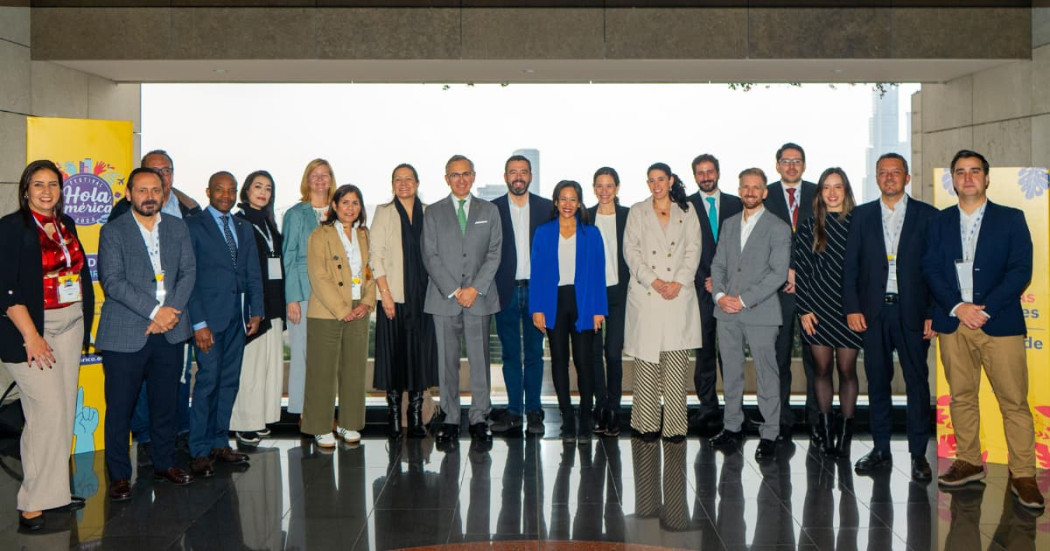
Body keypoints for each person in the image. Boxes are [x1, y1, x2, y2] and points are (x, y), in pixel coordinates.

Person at [925, 150, 1044, 509]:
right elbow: (930, 268)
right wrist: (958, 307)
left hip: (1000, 323)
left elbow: (1020, 270)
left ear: (987, 178)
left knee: (1014, 402)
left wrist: (984, 310)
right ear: (953, 179)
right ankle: (970, 461)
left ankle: (1023, 475)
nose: (968, 177)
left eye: (975, 171)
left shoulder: (1011, 219)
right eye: (960, 172)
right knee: (961, 395)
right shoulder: (939, 222)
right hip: (952, 322)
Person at [0, 160, 94, 529]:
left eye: (52, 184)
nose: (45, 191)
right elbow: (5, 290)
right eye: (37, 184)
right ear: (26, 190)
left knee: (63, 412)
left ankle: (54, 492)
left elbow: (75, 272)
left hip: (70, 324)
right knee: (46, 414)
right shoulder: (10, 228)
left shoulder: (65, 224)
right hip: (29, 330)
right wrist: (32, 336)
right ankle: (32, 503)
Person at [96, 167, 196, 501]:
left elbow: (188, 273)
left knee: (165, 404)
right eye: (142, 190)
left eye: (155, 190)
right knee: (120, 408)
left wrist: (169, 315)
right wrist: (156, 312)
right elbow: (112, 281)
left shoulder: (179, 229)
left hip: (170, 332)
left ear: (163, 194)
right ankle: (120, 475)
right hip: (126, 332)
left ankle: (164, 463)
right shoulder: (113, 231)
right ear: (129, 194)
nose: (149, 196)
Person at [842, 152, 937, 482]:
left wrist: (932, 314)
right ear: (877, 177)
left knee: (916, 384)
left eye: (896, 172)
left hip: (912, 312)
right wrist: (852, 308)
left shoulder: (928, 216)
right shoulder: (862, 216)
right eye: (882, 172)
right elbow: (850, 267)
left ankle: (918, 455)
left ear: (907, 178)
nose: (889, 177)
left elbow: (936, 271)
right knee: (877, 381)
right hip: (873, 313)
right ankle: (880, 448)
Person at [709, 168, 792, 461]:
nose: (750, 192)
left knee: (767, 375)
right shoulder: (729, 224)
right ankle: (732, 427)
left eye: (756, 187)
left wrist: (742, 300)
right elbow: (718, 265)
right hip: (726, 312)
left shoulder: (778, 227)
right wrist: (720, 296)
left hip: (761, 312)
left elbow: (778, 274)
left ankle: (770, 432)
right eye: (745, 187)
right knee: (730, 373)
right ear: (740, 189)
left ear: (765, 192)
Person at [186, 171, 264, 477]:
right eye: (220, 190)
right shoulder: (193, 227)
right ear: (208, 191)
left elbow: (252, 271)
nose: (226, 195)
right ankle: (199, 449)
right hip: (208, 320)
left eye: (232, 191)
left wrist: (256, 312)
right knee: (207, 382)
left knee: (229, 382)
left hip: (237, 318)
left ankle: (220, 442)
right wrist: (198, 323)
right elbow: (187, 278)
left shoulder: (243, 227)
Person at [422, 155, 502, 450]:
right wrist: (456, 290)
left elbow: (495, 253)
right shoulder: (433, 212)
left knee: (480, 361)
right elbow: (430, 255)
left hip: (479, 298)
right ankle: (451, 419)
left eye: (466, 173)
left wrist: (474, 289)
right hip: (445, 298)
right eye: (454, 175)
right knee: (447, 363)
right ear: (446, 178)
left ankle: (480, 418)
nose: (461, 179)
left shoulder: (489, 210)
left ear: (474, 176)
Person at [622, 163, 701, 442]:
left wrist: (678, 282)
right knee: (646, 366)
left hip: (678, 295)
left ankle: (676, 426)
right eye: (651, 180)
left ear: (670, 181)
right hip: (648, 295)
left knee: (676, 365)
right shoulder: (637, 211)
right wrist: (654, 281)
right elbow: (630, 252)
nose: (656, 185)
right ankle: (646, 424)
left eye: (660, 179)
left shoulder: (687, 212)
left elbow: (693, 249)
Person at [791, 167, 862, 456]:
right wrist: (803, 310)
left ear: (846, 190)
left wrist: (860, 308)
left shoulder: (860, 223)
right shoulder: (809, 225)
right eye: (826, 187)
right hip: (816, 308)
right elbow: (802, 271)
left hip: (850, 309)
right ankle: (824, 429)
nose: (832, 193)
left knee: (846, 370)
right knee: (821, 370)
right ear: (820, 193)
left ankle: (845, 434)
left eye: (838, 187)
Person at [529, 180, 607, 440]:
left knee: (584, 362)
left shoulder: (591, 233)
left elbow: (598, 274)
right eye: (563, 198)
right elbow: (537, 273)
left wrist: (598, 310)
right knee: (559, 362)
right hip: (553, 302)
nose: (567, 204)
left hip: (583, 301)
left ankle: (585, 417)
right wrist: (537, 308)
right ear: (555, 202)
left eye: (573, 199)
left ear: (580, 203)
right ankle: (567, 418)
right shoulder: (543, 232)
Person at [303, 184, 376, 447]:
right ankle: (320, 427)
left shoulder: (365, 235)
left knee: (355, 368)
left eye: (355, 203)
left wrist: (367, 302)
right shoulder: (320, 235)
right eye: (345, 202)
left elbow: (371, 271)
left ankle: (349, 424)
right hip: (327, 310)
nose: (350, 208)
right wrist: (343, 310)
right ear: (334, 206)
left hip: (359, 307)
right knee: (322, 371)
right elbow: (318, 276)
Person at [370, 164, 438, 439]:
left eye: (408, 179)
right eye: (398, 180)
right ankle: (395, 418)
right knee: (394, 357)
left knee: (420, 357)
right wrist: (384, 293)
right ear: (392, 184)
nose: (403, 184)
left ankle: (417, 419)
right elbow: (375, 255)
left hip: (425, 297)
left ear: (418, 182)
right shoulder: (384, 213)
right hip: (394, 297)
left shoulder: (429, 213)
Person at [491, 155, 552, 436]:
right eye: (513, 172)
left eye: (523, 172)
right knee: (510, 355)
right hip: (505, 292)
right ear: (505, 177)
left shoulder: (545, 208)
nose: (518, 177)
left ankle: (535, 412)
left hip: (537, 291)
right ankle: (515, 411)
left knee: (534, 355)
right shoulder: (492, 210)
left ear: (530, 176)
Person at [762, 142, 818, 443]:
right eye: (786, 161)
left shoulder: (818, 193)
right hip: (777, 289)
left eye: (797, 161)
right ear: (777, 165)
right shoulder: (766, 196)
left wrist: (799, 270)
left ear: (805, 165)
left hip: (812, 288)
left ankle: (815, 418)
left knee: (815, 358)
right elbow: (759, 241)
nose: (792, 166)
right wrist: (784, 270)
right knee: (778, 355)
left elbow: (825, 237)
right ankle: (780, 418)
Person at [687, 154, 742, 434]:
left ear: (719, 172)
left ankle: (734, 410)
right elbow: (683, 248)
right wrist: (705, 280)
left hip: (732, 290)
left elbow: (745, 245)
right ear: (694, 175)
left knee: (731, 353)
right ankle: (707, 409)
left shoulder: (736, 204)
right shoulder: (685, 206)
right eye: (700, 173)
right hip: (699, 291)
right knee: (704, 352)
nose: (706, 176)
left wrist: (723, 281)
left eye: (710, 171)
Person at [230, 170, 286, 446]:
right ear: (246, 190)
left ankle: (261, 418)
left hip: (274, 302)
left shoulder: (268, 222)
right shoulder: (239, 222)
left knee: (268, 367)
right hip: (253, 305)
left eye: (268, 188)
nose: (263, 192)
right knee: (250, 368)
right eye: (257, 186)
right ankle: (244, 423)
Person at [282, 159, 336, 419]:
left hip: (332, 295)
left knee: (327, 356)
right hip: (303, 292)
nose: (320, 179)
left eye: (325, 175)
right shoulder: (295, 213)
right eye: (315, 175)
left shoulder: (338, 212)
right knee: (303, 354)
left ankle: (323, 411)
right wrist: (292, 298)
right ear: (307, 179)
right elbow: (288, 256)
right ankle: (303, 413)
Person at [586, 167, 630, 437]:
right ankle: (599, 407)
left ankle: (614, 409)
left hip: (620, 294)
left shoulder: (628, 216)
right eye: (599, 186)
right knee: (592, 355)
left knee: (613, 353)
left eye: (609, 185)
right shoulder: (585, 217)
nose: (604, 190)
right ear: (593, 188)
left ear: (617, 187)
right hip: (591, 294)